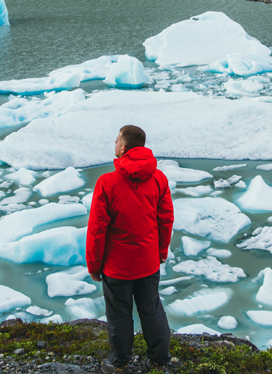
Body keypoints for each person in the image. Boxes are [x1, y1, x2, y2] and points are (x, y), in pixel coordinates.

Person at [86, 125, 174, 373]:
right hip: (147, 262)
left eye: (116, 140)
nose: (114, 143)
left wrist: (94, 265)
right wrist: (161, 252)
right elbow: (165, 219)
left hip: (117, 267)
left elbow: (97, 229)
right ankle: (159, 358)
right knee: (152, 309)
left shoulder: (107, 182)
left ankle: (119, 363)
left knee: (119, 315)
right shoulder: (159, 178)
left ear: (123, 147)